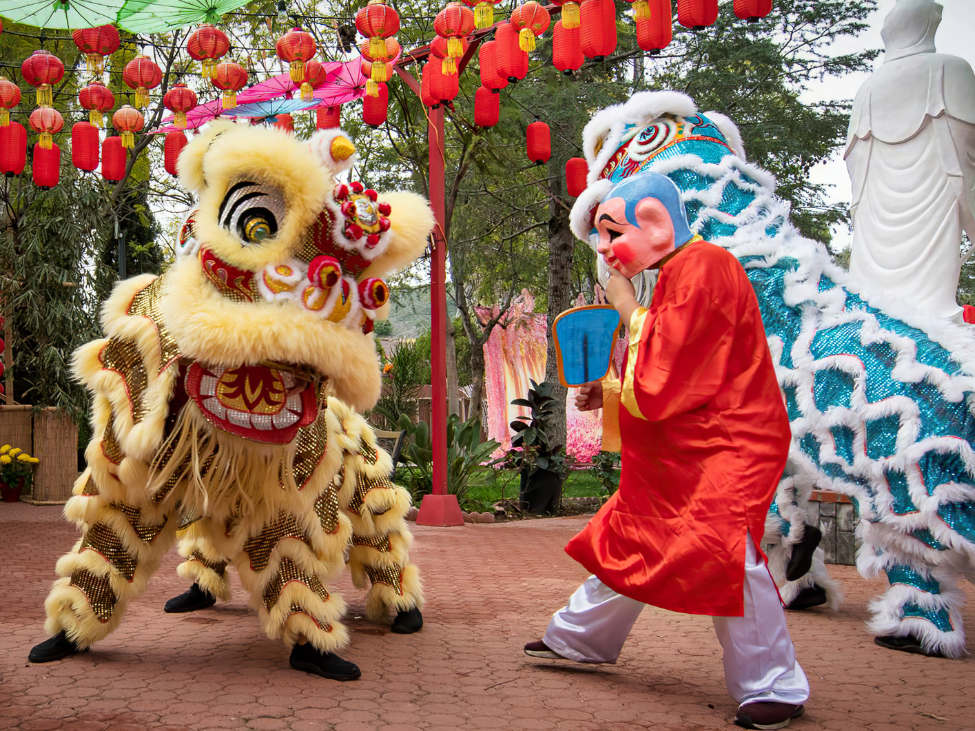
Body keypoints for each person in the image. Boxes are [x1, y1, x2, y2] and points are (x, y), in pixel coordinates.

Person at [524, 172, 809, 730]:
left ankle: (774, 682)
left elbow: (669, 365)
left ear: (654, 222)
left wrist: (625, 302)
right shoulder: (676, 273)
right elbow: (663, 369)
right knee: (635, 533)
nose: (604, 252)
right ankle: (580, 637)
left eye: (611, 234)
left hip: (726, 442)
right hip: (685, 443)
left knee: (726, 547)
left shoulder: (705, 267)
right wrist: (605, 389)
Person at [846, 0, 975, 323]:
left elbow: (854, 168)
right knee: (929, 315)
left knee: (880, 307)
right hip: (933, 194)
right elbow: (967, 147)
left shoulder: (867, 89)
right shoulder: (950, 68)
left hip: (881, 219)